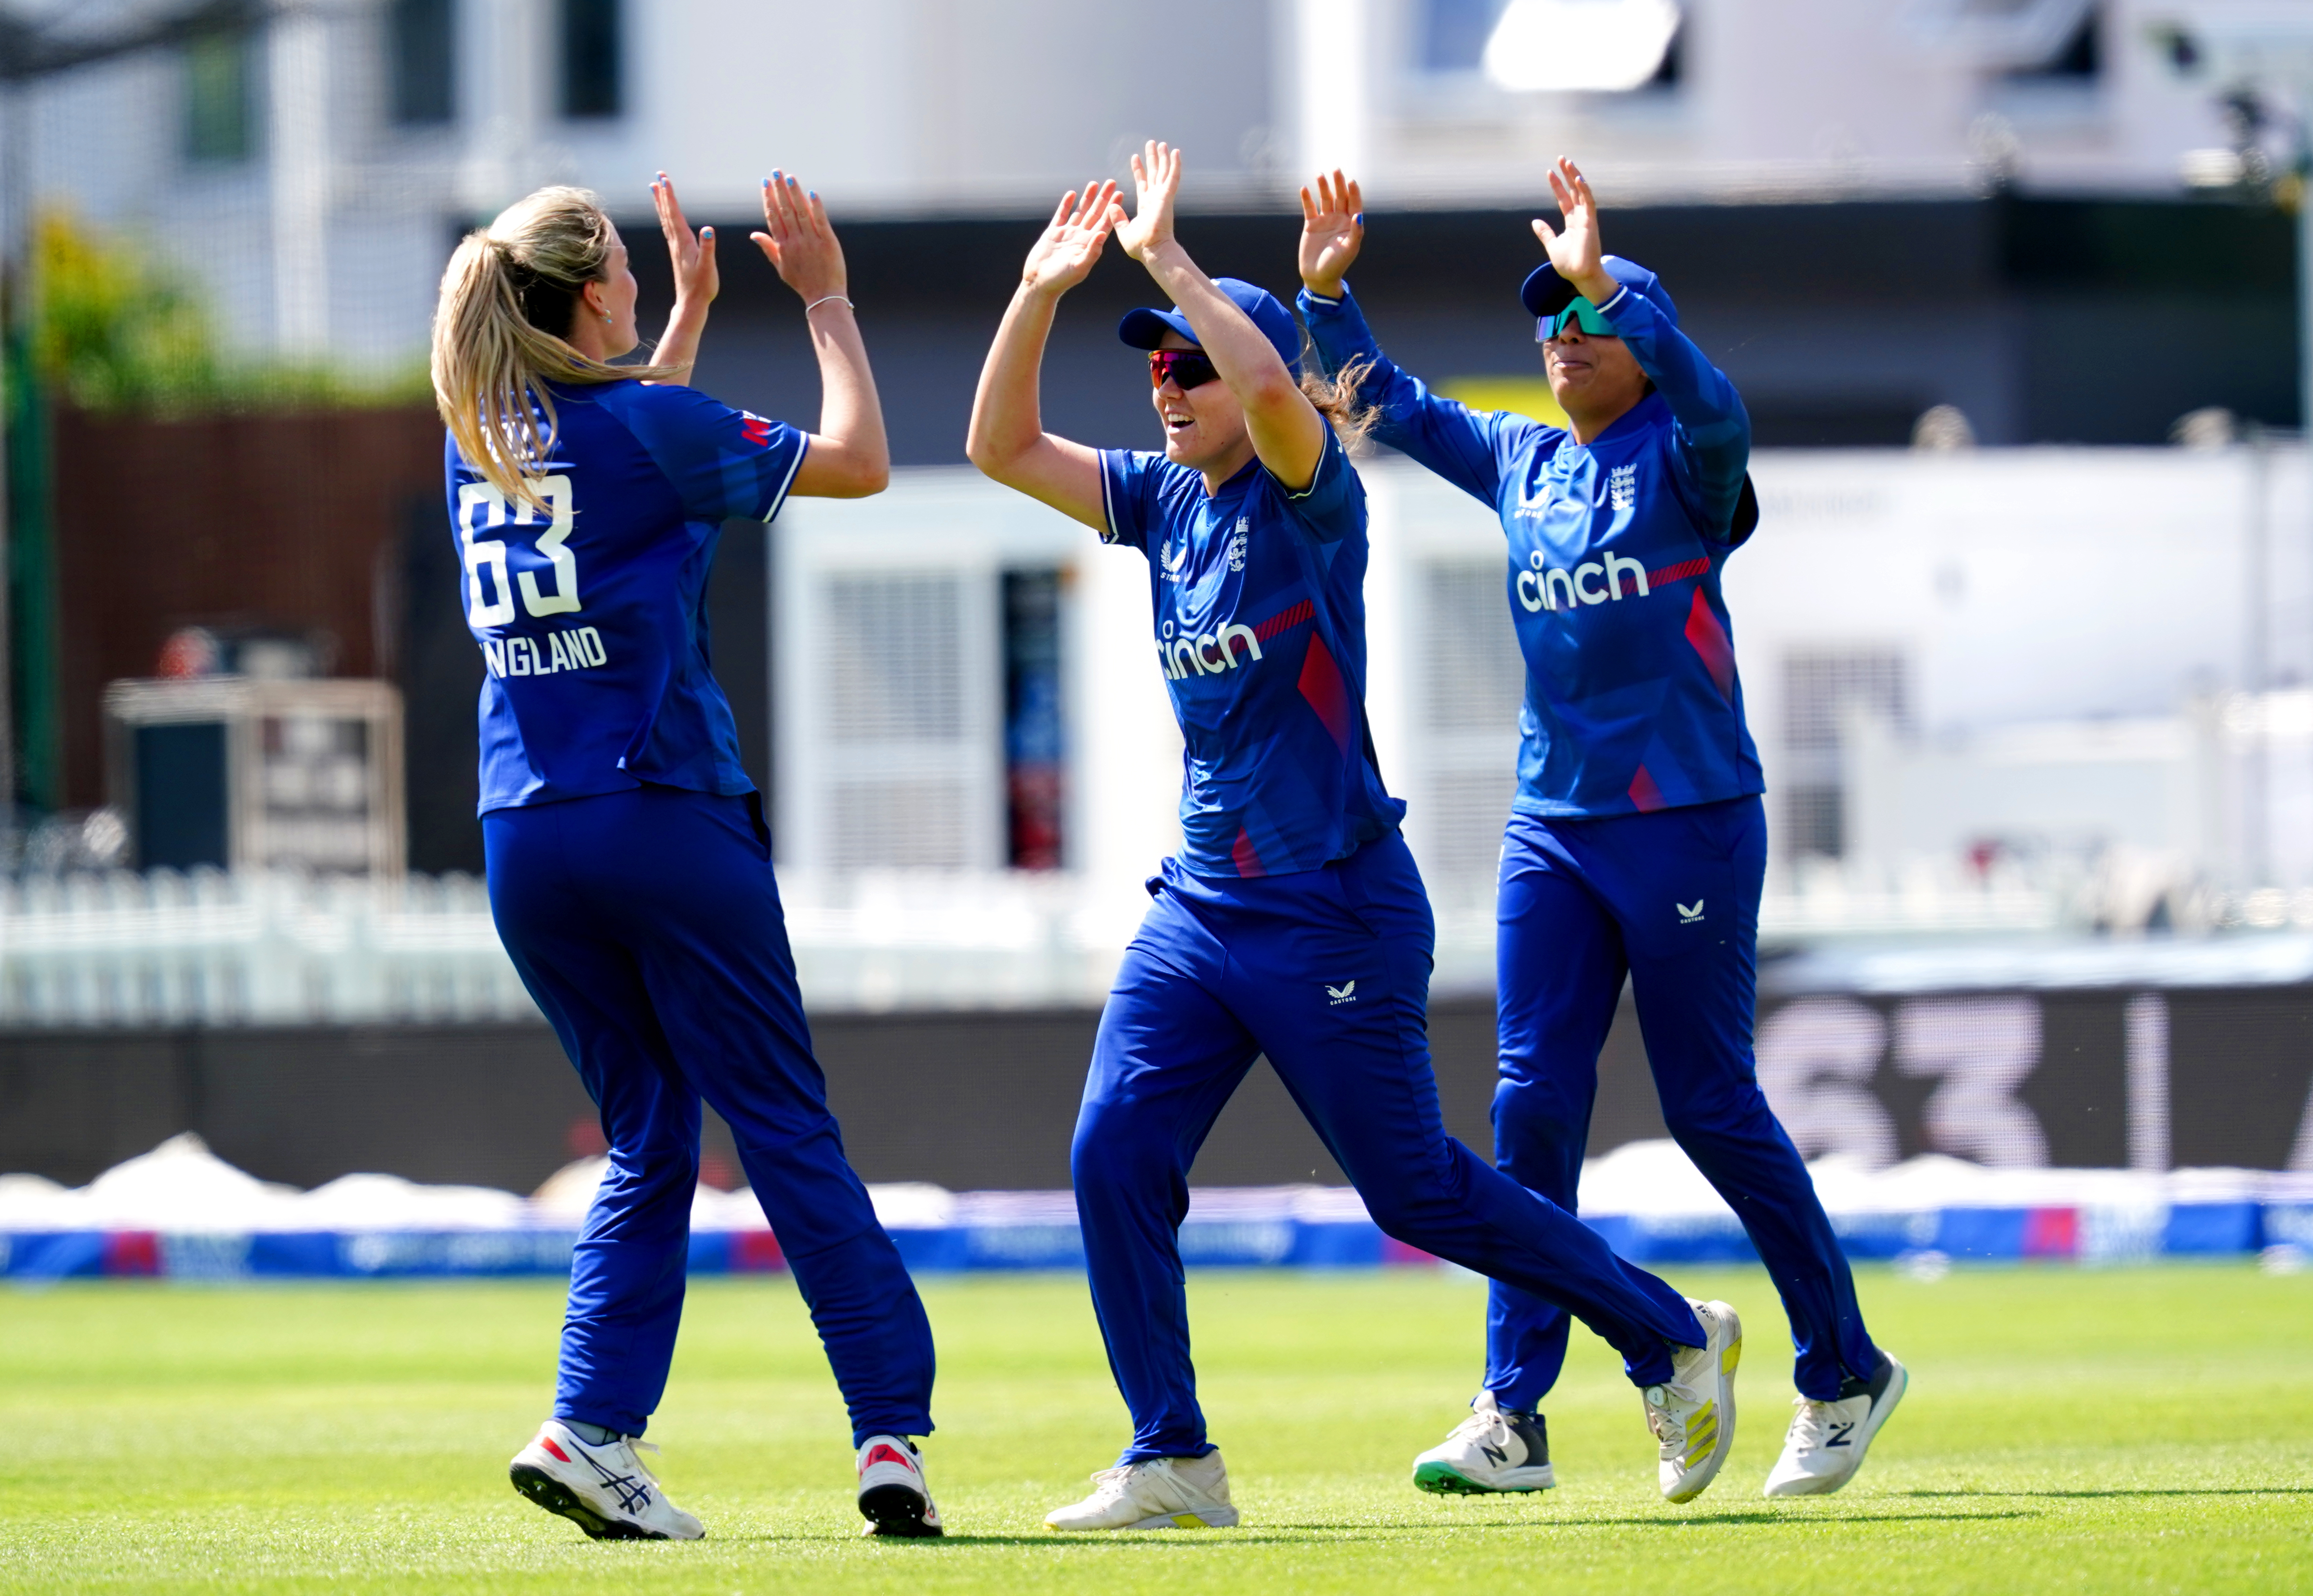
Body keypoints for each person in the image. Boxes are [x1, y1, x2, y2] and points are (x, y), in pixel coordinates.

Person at [967, 141, 1744, 1532]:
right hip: (1202, 910)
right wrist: (1037, 291)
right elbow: (999, 447)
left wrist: (1175, 265)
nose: (1168, 380)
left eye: (1188, 362)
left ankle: (1669, 1334)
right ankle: (1173, 1459)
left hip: (1334, 904)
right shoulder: (1160, 504)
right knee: (1112, 1155)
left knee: (1422, 1194)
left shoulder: (1310, 499)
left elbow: (1278, 389)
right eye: (1155, 364)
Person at [1296, 160, 1907, 1501]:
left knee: (1709, 1106)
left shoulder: (1693, 460)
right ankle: (1513, 1411)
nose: (1560, 343)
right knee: (1531, 1106)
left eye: (1585, 323)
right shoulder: (1525, 459)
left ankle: (1844, 1366)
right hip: (1552, 827)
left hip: (1687, 819)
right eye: (1549, 325)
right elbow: (1387, 402)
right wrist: (1323, 294)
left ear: (1639, 339)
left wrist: (1609, 285)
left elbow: (1710, 394)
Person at [429, 173, 944, 1540]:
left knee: (650, 1135)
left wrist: (693, 325)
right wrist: (825, 295)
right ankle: (890, 1430)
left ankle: (590, 1426)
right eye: (631, 268)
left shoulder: (474, 437)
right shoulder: (649, 424)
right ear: (597, 292)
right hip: (663, 813)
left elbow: (625, 467)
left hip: (526, 838)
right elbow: (859, 459)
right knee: (781, 1123)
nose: (649, 279)